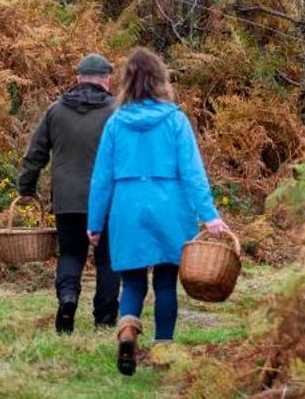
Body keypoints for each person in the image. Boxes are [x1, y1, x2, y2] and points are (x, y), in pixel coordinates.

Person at [86, 47, 230, 376]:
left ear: (126, 81)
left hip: (127, 206)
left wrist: (95, 222)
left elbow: (101, 178)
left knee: (133, 283)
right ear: (159, 79)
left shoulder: (115, 123)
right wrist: (209, 215)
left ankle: (126, 332)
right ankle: (164, 347)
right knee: (166, 282)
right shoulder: (175, 120)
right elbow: (192, 173)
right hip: (170, 206)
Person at [16, 52, 119, 333]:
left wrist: (26, 187)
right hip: (109, 202)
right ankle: (106, 319)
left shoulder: (56, 110)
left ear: (77, 79)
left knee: (71, 254)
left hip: (68, 200)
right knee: (108, 259)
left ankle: (68, 298)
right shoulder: (117, 112)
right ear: (107, 80)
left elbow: (35, 154)